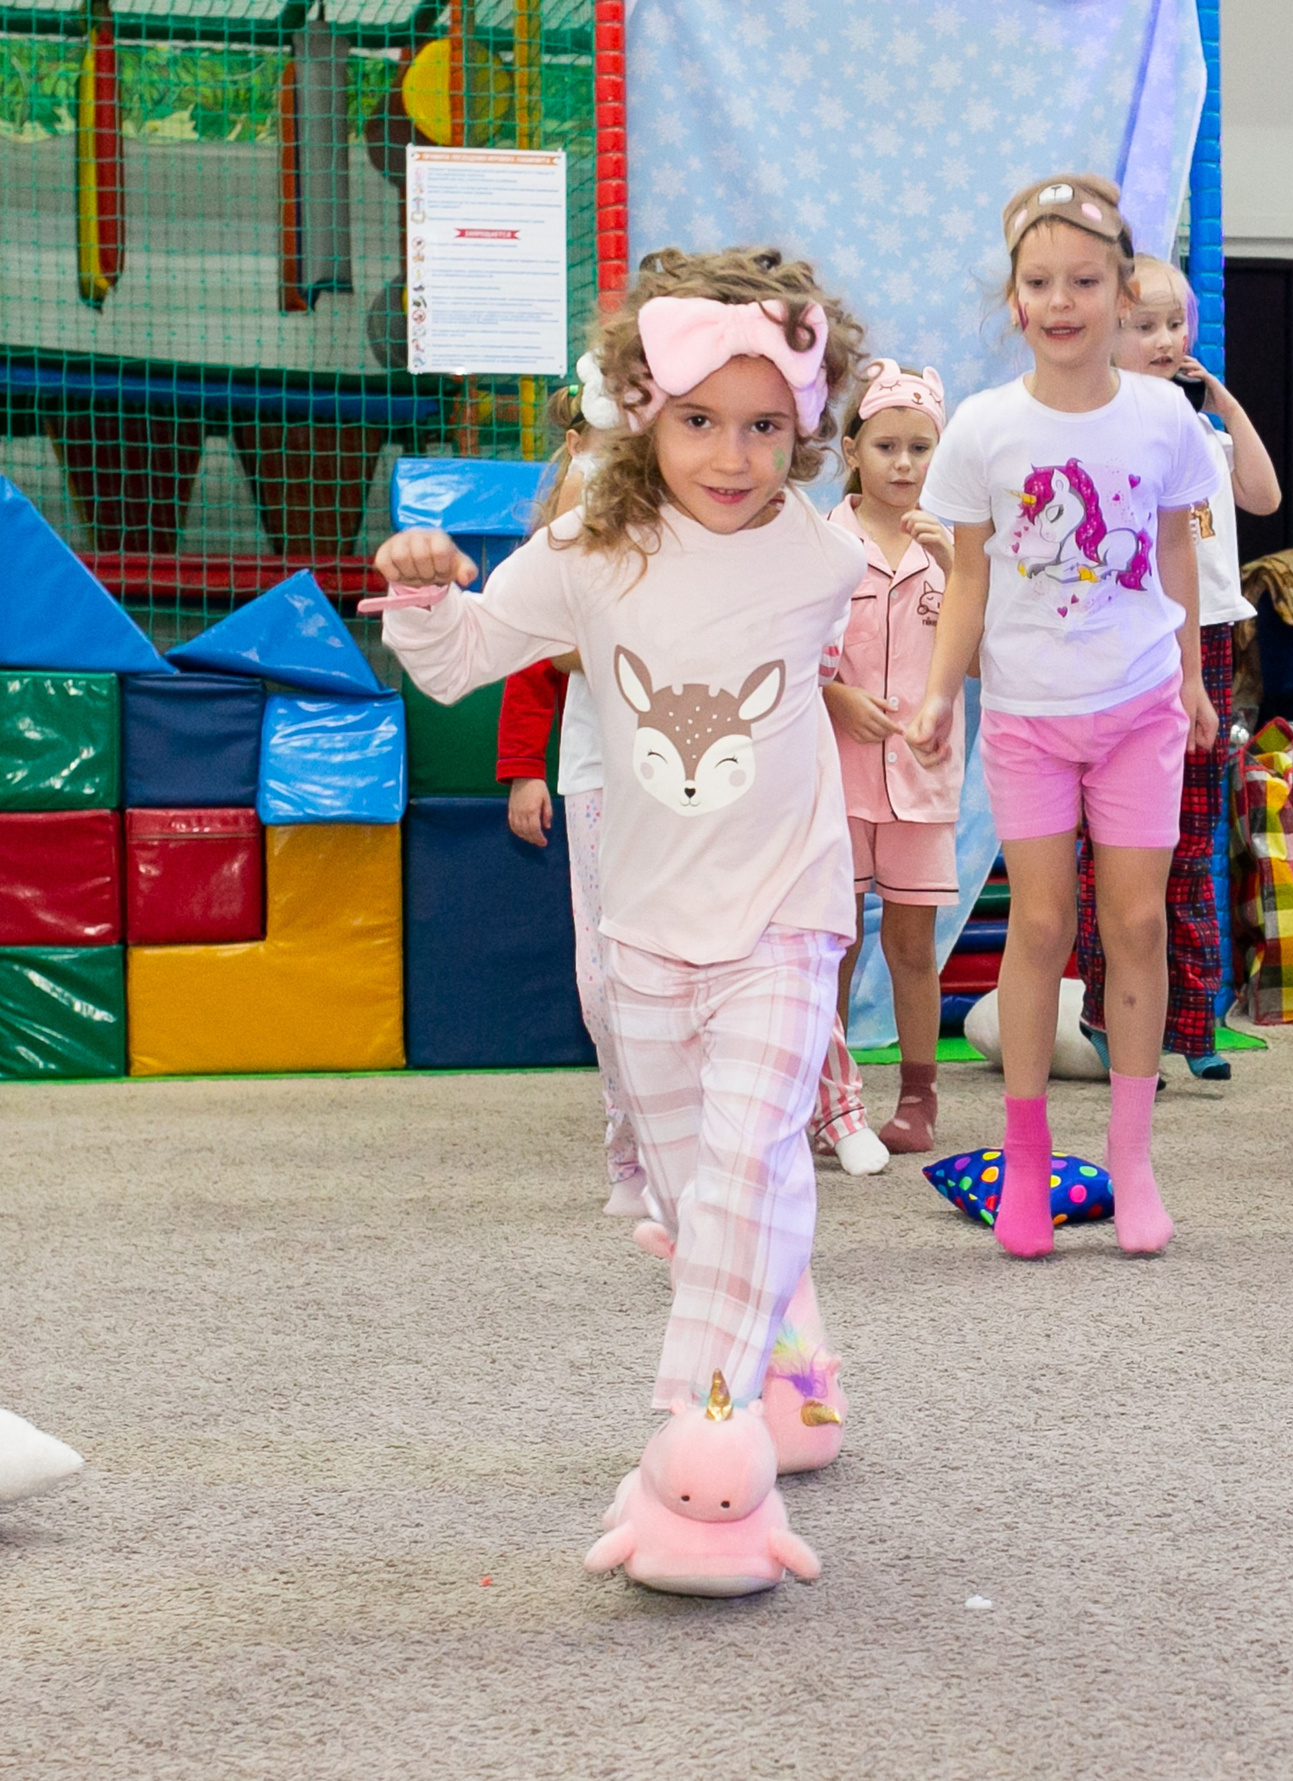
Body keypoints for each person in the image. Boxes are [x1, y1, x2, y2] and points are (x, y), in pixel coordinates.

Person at [363, 248, 872, 1534]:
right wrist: (424, 594)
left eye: (766, 425)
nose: (733, 453)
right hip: (641, 926)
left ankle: (697, 1444)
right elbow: (461, 660)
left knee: (751, 1153)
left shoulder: (822, 555)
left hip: (785, 910)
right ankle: (792, 1352)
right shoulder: (588, 552)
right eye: (701, 419)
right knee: (706, 1185)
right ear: (643, 408)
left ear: (806, 424)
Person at [906, 173, 1220, 1260]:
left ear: (1120, 286)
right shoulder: (984, 429)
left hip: (1137, 706)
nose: (1060, 300)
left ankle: (1131, 1158)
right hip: (1030, 716)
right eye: (1038, 282)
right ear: (1013, 298)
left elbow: (1177, 547)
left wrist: (1188, 676)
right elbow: (969, 581)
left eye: (1083, 280)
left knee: (1132, 922)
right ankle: (1029, 1158)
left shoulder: (1163, 415)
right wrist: (942, 690)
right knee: (1040, 924)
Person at [1073, 254, 1281, 1081]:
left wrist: (1220, 399)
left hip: (1215, 641)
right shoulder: (1100, 428)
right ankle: (1107, 1012)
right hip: (1132, 643)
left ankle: (1192, 1025)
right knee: (1117, 844)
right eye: (1143, 325)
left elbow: (1262, 497)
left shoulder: (1201, 429)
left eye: (1173, 324)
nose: (1163, 340)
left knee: (1195, 836)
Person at [492, 382, 676, 1214]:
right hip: (600, 772)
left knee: (674, 959)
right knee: (604, 974)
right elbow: (540, 660)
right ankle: (627, 1139)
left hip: (684, 770)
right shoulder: (566, 528)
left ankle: (678, 1137)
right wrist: (523, 767)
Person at [811, 359, 958, 1158]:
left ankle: (918, 1096)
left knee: (911, 943)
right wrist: (837, 700)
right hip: (834, 778)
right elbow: (790, 655)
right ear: (853, 450)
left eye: (921, 448)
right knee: (833, 941)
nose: (904, 465)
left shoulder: (953, 546)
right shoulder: (822, 545)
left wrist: (965, 570)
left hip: (923, 779)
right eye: (888, 446)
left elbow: (980, 657)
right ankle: (822, 1097)